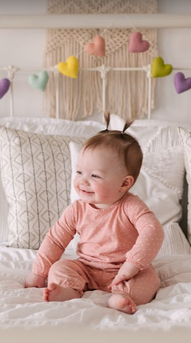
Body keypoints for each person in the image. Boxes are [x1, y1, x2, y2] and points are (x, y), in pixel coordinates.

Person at [24, 113, 164, 314]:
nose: (83, 181)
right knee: (61, 268)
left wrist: (133, 265)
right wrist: (39, 273)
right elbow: (55, 240)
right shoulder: (77, 209)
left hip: (124, 271)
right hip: (86, 268)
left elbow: (153, 230)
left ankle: (122, 297)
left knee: (149, 279)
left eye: (95, 175)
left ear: (125, 183)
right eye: (79, 172)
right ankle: (67, 290)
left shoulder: (131, 206)